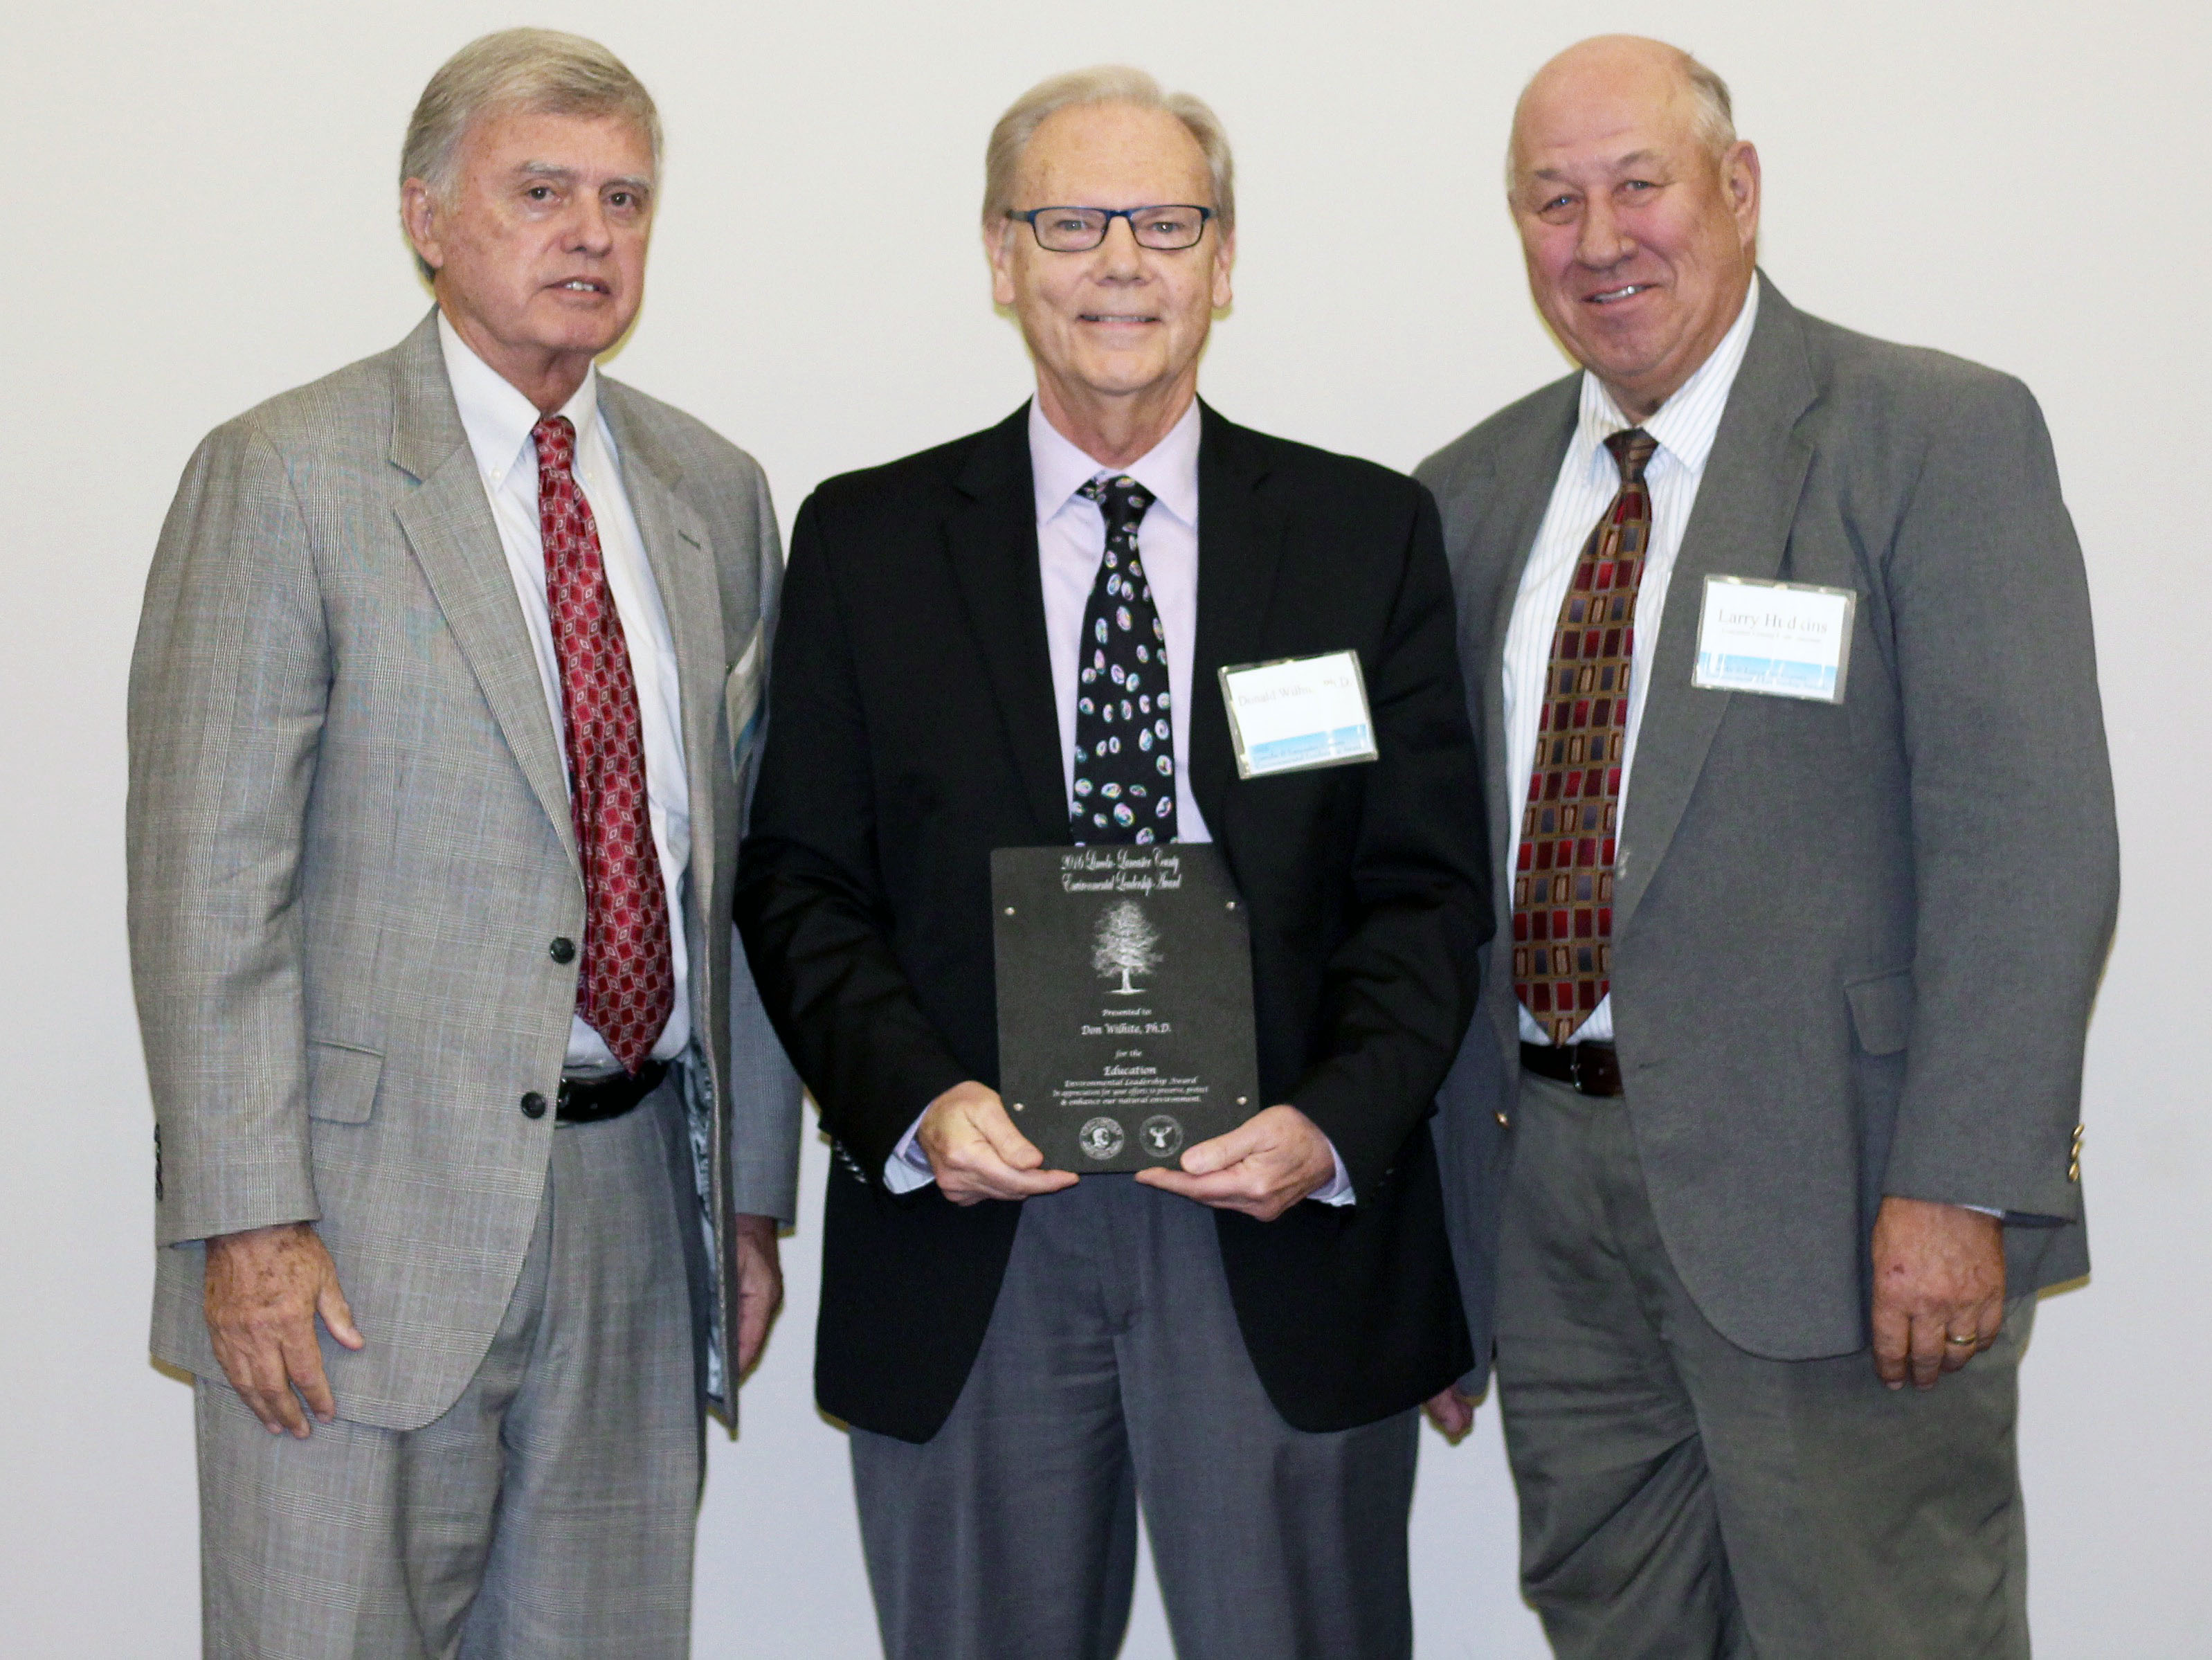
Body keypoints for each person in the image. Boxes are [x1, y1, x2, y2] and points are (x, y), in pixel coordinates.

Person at [735, 65, 1488, 1660]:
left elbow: (1422, 891)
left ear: (1223, 260)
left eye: (1164, 220)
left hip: (1274, 1224)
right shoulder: (867, 543)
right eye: (1070, 221)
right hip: (972, 1225)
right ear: (1001, 257)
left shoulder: (1365, 536)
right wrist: (917, 1106)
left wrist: (1330, 1125)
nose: (1120, 263)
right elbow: (801, 879)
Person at [1414, 35, 2119, 1658]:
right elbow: (1436, 888)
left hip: (1843, 1202)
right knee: (1613, 1630)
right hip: (1551, 1211)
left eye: (1637, 185)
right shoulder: (1470, 493)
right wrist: (1437, 1235)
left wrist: (1956, 1178)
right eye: (1551, 200)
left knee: (1883, 1631)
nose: (1599, 241)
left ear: (1736, 189)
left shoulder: (1927, 435)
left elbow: (2027, 839)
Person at [127, 28, 799, 1657]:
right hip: (351, 1239)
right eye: (542, 190)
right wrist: (247, 1221)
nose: (590, 233)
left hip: (643, 1210)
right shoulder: (285, 473)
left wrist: (754, 1198)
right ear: (427, 215)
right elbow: (206, 883)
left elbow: (750, 882)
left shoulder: (714, 491)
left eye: (625, 198)